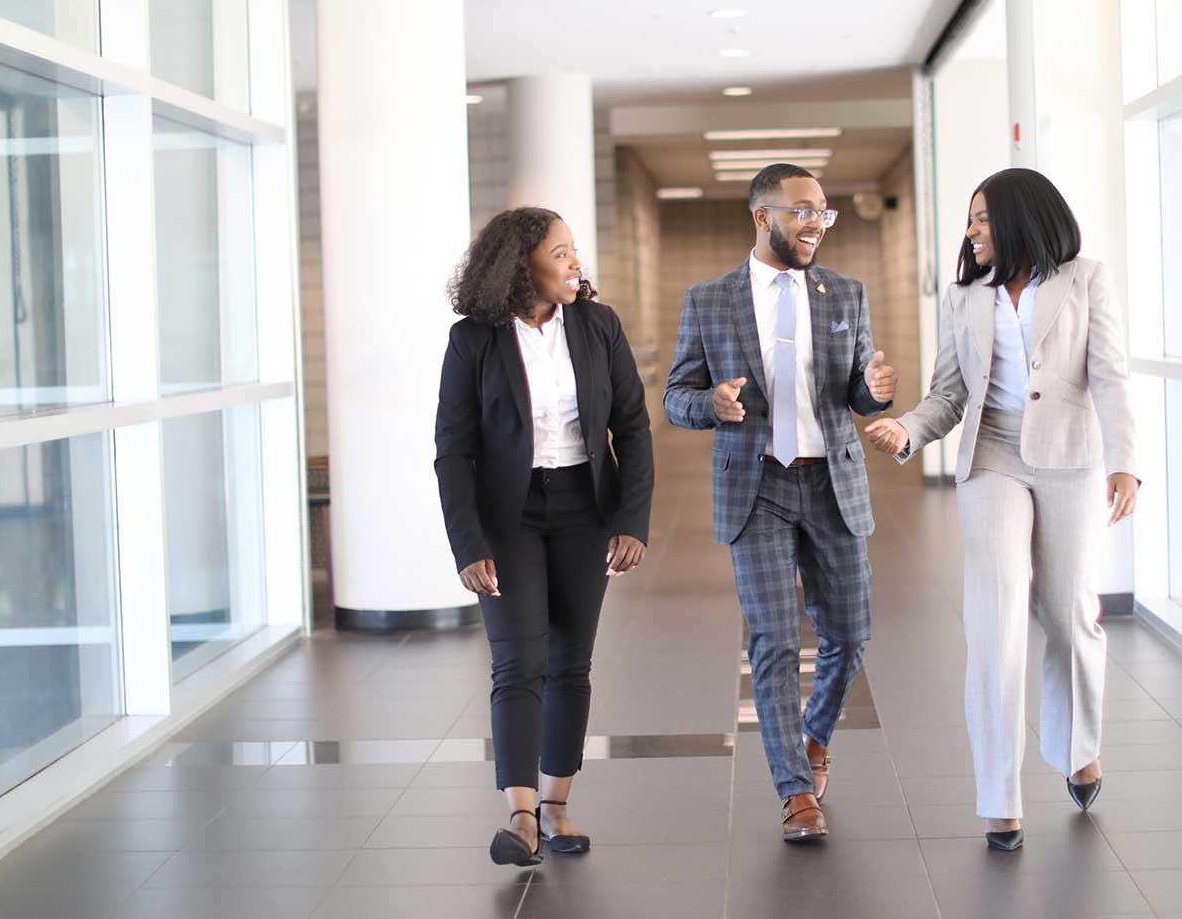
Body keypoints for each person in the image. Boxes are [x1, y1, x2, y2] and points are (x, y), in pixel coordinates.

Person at [864, 168, 1139, 851]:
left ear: (1021, 217)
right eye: (971, 219)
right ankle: (999, 797)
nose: (972, 231)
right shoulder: (966, 299)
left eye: (983, 218)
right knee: (994, 626)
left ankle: (1077, 746)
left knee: (1070, 617)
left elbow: (1109, 375)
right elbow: (948, 394)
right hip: (992, 457)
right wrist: (909, 431)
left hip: (1070, 458)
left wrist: (1125, 461)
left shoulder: (1085, 279)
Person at [664, 163, 897, 842]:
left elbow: (857, 392)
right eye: (801, 210)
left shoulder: (844, 293)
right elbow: (676, 396)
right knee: (771, 640)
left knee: (850, 633)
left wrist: (875, 389)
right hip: (755, 485)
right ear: (762, 217)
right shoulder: (709, 300)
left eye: (823, 211)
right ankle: (795, 792)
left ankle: (815, 734)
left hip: (832, 484)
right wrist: (710, 403)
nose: (816, 222)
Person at [434, 206, 654, 867]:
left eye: (573, 252)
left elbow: (633, 428)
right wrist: (467, 544)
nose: (574, 263)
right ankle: (522, 816)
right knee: (516, 661)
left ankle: (557, 804)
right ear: (519, 262)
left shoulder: (597, 325)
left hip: (585, 508)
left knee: (570, 662)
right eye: (561, 253)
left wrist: (630, 520)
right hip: (510, 517)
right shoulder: (474, 340)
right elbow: (453, 450)